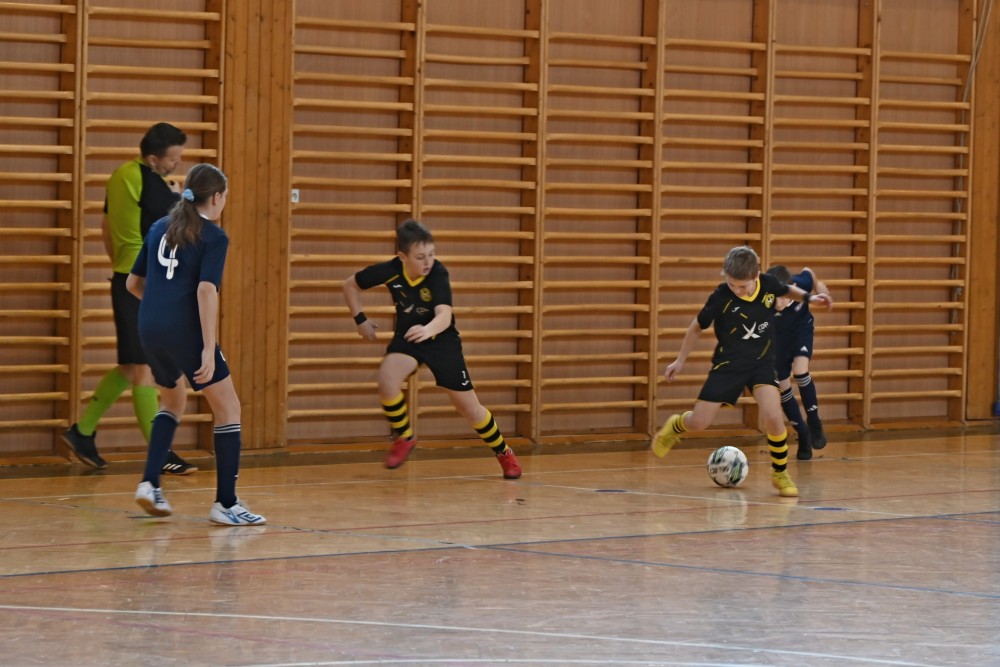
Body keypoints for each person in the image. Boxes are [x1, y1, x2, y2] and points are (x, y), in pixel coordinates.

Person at [126, 163, 265, 525]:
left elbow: (132, 284)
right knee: (228, 408)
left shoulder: (160, 227)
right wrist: (207, 346)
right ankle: (226, 504)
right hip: (185, 331)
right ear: (216, 197)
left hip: (149, 327)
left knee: (173, 401)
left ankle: (150, 484)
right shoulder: (214, 237)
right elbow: (206, 290)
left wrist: (161, 313)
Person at [60, 122, 197, 475]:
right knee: (144, 369)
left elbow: (107, 229)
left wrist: (122, 268)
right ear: (153, 159)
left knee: (130, 366)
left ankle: (82, 432)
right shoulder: (153, 185)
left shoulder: (121, 176)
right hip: (145, 284)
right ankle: (161, 453)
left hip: (126, 278)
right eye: (173, 159)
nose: (176, 165)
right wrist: (178, 195)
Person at [342, 219, 523, 479]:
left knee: (470, 409)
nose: (427, 261)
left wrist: (428, 330)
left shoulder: (438, 273)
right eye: (420, 257)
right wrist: (360, 319)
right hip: (409, 337)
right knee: (387, 379)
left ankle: (504, 452)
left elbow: (444, 316)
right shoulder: (390, 270)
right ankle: (405, 437)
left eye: (431, 254)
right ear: (402, 257)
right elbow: (349, 285)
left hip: (442, 341)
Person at [651, 246, 833, 497]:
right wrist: (680, 360)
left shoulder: (767, 283)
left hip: (762, 363)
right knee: (700, 422)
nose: (736, 290)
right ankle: (677, 425)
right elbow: (697, 326)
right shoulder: (720, 296)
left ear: (756, 275)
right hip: (729, 365)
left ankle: (780, 473)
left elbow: (786, 290)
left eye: (742, 286)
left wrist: (810, 299)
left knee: (774, 417)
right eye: (732, 284)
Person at [766, 265, 829, 461]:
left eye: (783, 297)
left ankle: (814, 420)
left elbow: (809, 271)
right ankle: (803, 434)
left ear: (792, 288)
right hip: (777, 341)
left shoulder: (801, 284)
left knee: (801, 371)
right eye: (775, 297)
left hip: (801, 331)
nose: (779, 303)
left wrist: (819, 287)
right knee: (783, 388)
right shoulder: (763, 300)